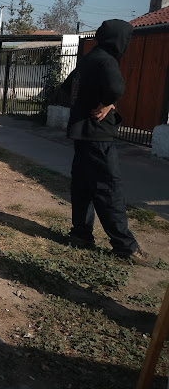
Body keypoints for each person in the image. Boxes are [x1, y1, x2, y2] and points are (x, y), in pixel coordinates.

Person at [60, 19, 157, 266]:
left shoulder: (88, 59)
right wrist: (107, 103)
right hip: (97, 135)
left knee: (82, 187)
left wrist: (84, 103)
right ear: (119, 40)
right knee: (108, 188)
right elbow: (115, 87)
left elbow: (65, 88)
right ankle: (125, 247)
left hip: (81, 133)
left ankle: (81, 234)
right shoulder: (106, 60)